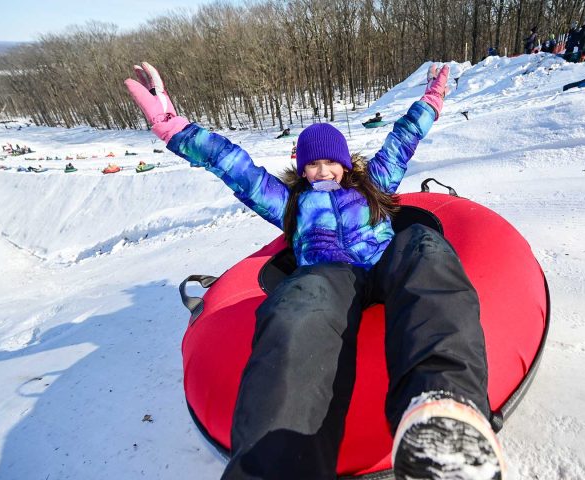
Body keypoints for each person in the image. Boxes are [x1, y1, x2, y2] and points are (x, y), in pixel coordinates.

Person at [125, 62, 504, 480]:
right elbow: (234, 167)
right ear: (301, 168)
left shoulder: (373, 183)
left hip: (385, 265)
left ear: (345, 163)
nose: (322, 171)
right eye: (312, 164)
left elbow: (404, 138)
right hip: (329, 280)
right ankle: (281, 462)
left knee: (423, 245)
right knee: (299, 298)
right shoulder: (290, 202)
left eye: (330, 162)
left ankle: (444, 407)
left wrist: (433, 97)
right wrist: (171, 126)